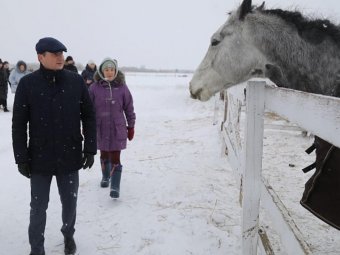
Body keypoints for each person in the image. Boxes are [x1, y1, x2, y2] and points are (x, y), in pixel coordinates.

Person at [12, 37, 97, 255]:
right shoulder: (27, 84)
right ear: (41, 57)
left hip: (69, 155)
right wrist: (21, 157)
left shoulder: (75, 81)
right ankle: (36, 249)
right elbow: (19, 124)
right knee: (38, 208)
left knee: (70, 204)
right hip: (39, 158)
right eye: (55, 54)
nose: (60, 57)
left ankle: (68, 235)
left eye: (62, 53)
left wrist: (90, 147)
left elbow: (88, 116)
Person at [89, 57, 135, 198]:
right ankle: (105, 177)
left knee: (116, 156)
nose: (109, 72)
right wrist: (86, 127)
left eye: (112, 69)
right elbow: (88, 110)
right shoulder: (94, 88)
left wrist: (131, 126)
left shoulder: (122, 87)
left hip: (117, 128)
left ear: (115, 71)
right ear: (102, 71)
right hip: (100, 128)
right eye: (106, 70)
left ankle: (115, 187)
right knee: (104, 154)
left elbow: (129, 108)